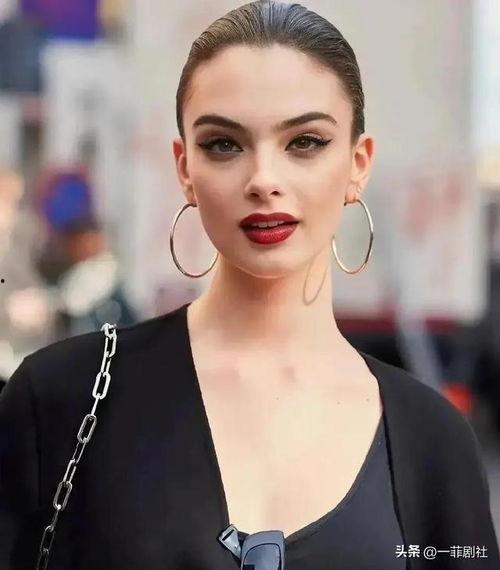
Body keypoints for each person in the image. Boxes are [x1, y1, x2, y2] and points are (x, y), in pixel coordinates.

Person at [0, 1, 498, 569]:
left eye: (305, 142)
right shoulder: (60, 397)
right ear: (185, 169)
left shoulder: (432, 442)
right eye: (224, 144)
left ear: (358, 164)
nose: (264, 179)